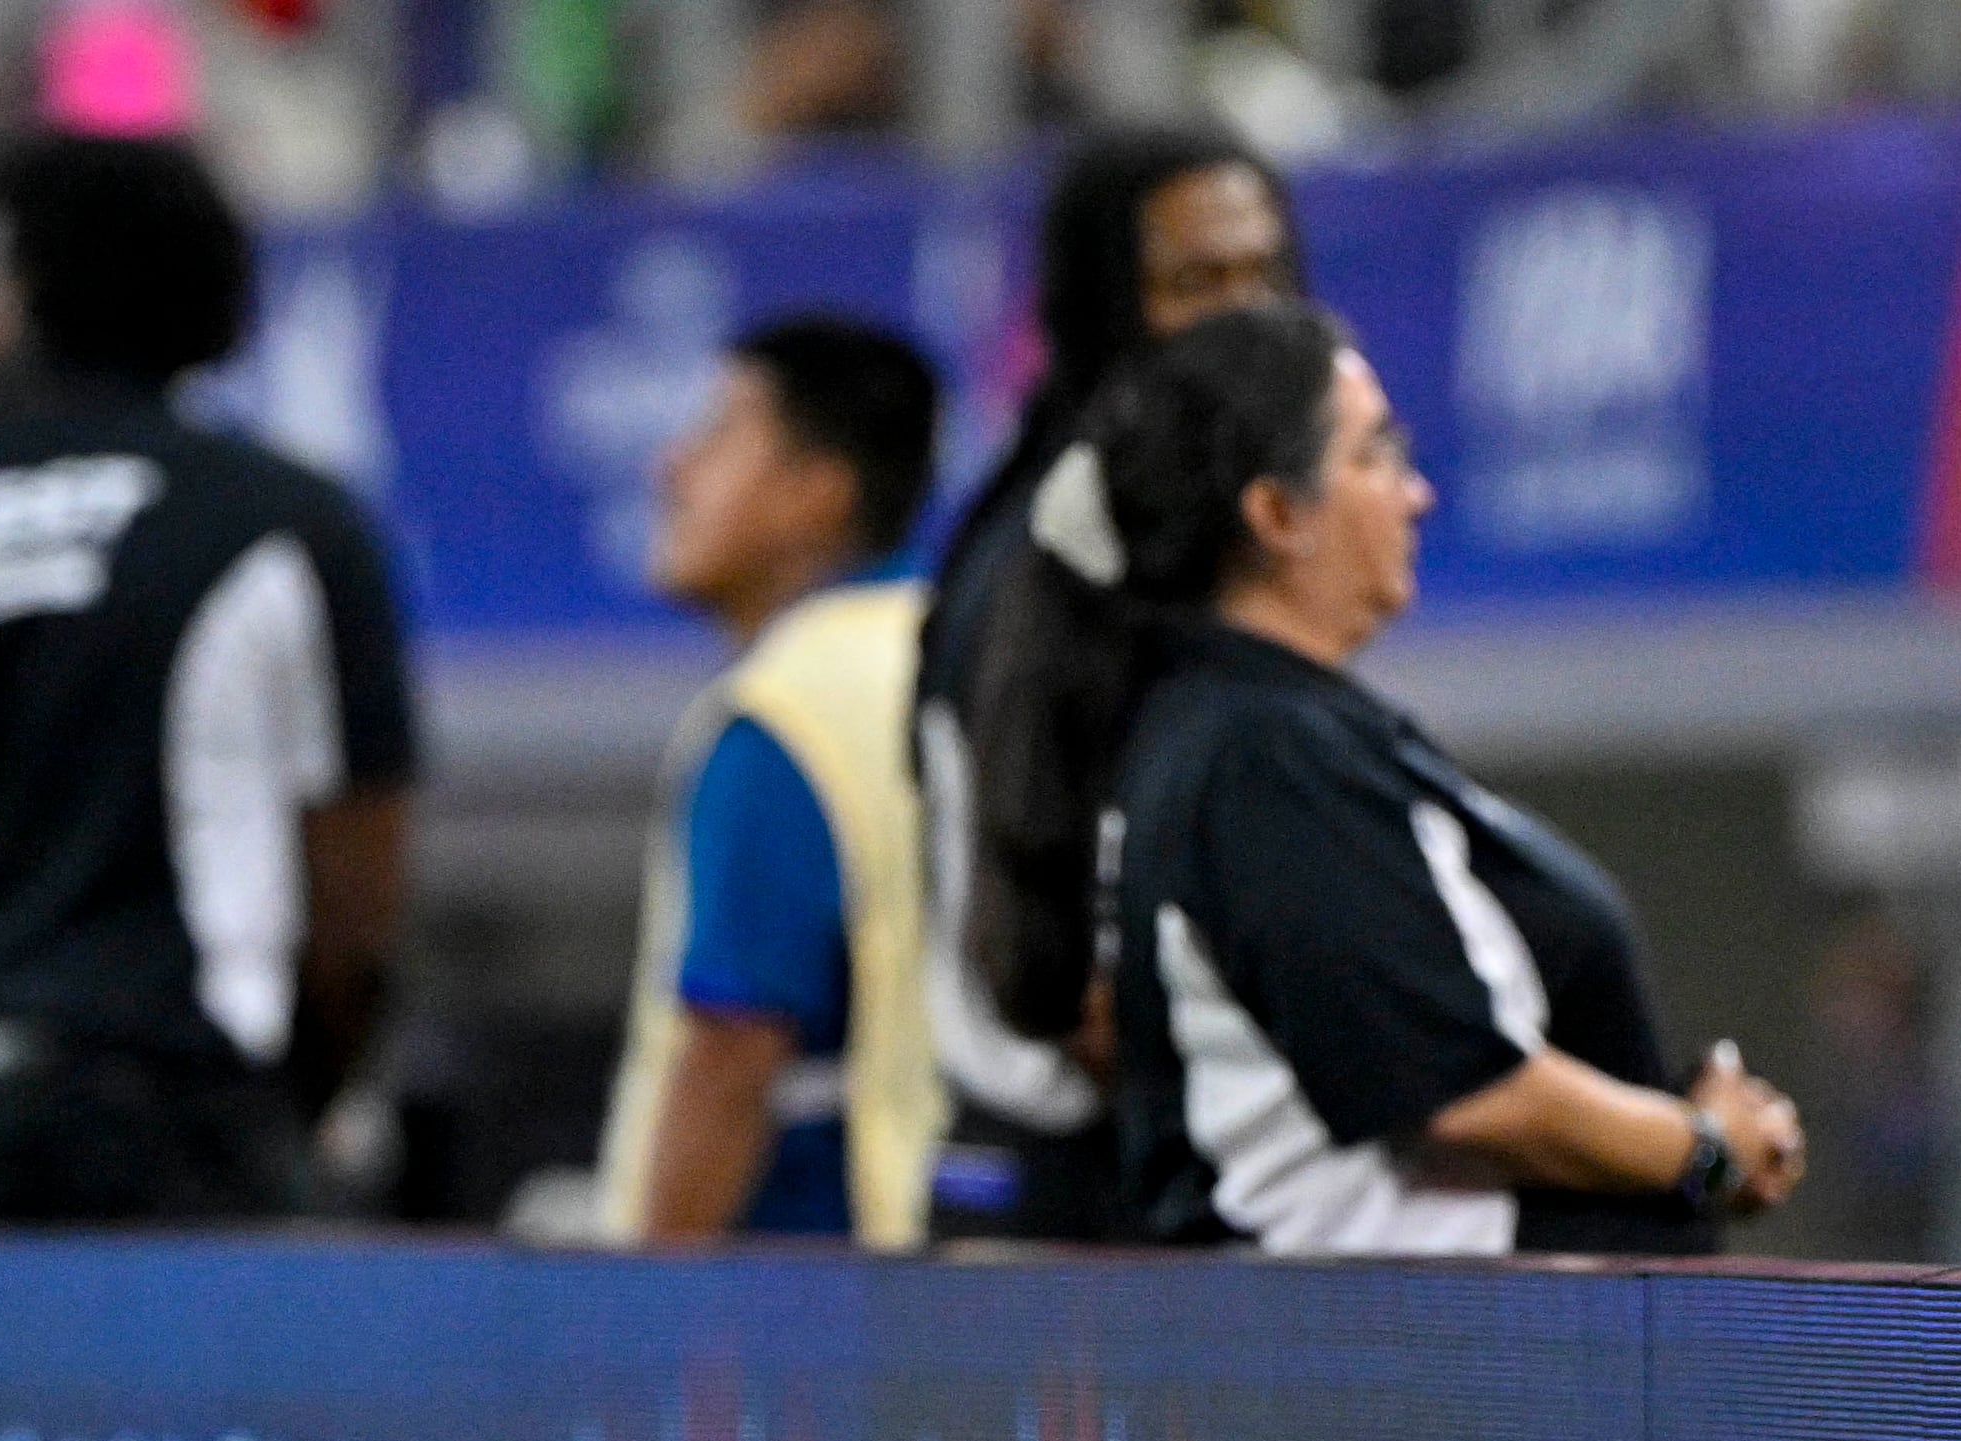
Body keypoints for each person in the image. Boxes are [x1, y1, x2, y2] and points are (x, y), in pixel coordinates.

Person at [964, 305, 1803, 1255]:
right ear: (1277, 513)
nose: (1418, 494)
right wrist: (1702, 1147)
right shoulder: (1263, 756)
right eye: (1377, 456)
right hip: (1398, 1364)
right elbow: (1461, 1097)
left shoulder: (1261, 728)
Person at [0, 130, 417, 1221]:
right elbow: (355, 896)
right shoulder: (281, 522)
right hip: (190, 1135)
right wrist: (297, 1107)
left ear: (25, 295)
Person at [912, 129, 1299, 1241]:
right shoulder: (1057, 569)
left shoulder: (1207, 542)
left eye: (1262, 272)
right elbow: (1063, 977)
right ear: (1100, 308)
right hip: (1070, 1205)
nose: (1243, 319)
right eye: (1194, 283)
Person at [594, 312, 945, 1247]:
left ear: (817, 494)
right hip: (977, 1283)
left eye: (718, 435)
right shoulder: (965, 656)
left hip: (812, 1313)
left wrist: (649, 1319)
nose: (673, 468)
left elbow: (730, 1056)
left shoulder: (787, 714)